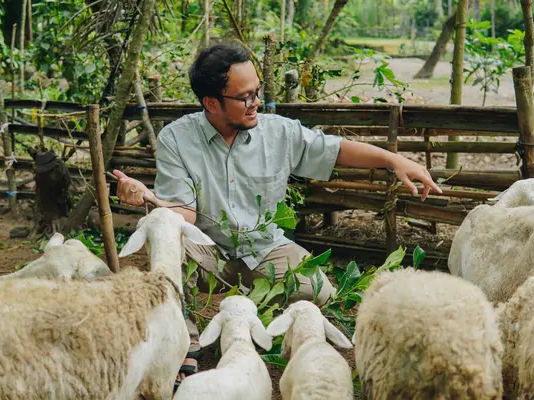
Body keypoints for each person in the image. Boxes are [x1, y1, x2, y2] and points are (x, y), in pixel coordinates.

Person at [113, 42, 442, 391]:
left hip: (266, 250)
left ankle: (265, 322)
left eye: (257, 92)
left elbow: (335, 149)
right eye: (245, 97)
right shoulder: (177, 139)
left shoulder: (278, 131)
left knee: (321, 292)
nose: (256, 102)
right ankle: (185, 340)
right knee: (162, 239)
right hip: (207, 251)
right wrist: (150, 198)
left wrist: (394, 161)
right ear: (212, 102)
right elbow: (185, 215)